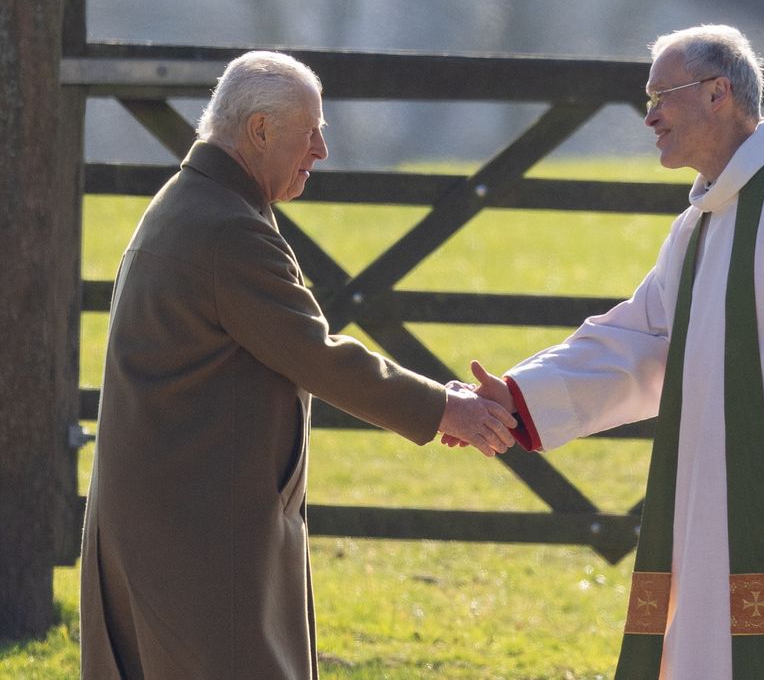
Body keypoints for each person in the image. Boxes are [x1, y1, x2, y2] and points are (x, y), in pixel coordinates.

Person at [450, 25, 764, 679]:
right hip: (722, 491)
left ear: (717, 94)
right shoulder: (703, 222)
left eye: (662, 96)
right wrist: (521, 396)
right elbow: (644, 339)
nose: (648, 115)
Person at [79, 50, 515, 679]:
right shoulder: (228, 230)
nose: (321, 151)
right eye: (310, 131)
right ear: (259, 131)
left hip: (170, 512)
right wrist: (447, 408)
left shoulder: (189, 204)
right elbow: (317, 356)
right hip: (197, 529)